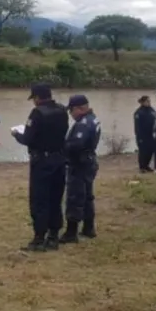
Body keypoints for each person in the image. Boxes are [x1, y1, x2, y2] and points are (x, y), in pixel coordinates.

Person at [12, 83, 69, 252]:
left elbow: (28, 138)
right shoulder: (62, 110)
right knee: (55, 198)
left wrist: (16, 134)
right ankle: (53, 236)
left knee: (39, 199)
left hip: (42, 162)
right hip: (59, 159)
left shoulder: (37, 113)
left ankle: (39, 238)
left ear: (37, 97)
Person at [61, 94, 101, 243]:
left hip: (79, 164)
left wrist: (62, 148)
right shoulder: (93, 119)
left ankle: (71, 232)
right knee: (87, 196)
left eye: (71, 110)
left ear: (80, 108)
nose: (71, 114)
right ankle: (88, 228)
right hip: (89, 161)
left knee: (75, 197)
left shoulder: (83, 123)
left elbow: (76, 145)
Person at [134, 95, 156, 173]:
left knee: (150, 150)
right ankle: (142, 167)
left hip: (151, 134)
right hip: (142, 135)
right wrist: (139, 137)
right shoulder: (139, 112)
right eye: (147, 101)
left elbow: (155, 118)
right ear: (143, 102)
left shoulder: (152, 110)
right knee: (143, 151)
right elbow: (137, 126)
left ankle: (147, 165)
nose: (149, 103)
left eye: (149, 101)